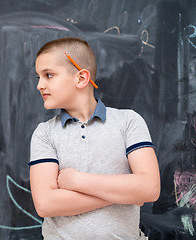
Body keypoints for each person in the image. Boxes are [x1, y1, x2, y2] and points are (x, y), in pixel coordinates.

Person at [28, 37, 160, 239]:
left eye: (48, 75)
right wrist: (125, 194)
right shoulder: (44, 133)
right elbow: (46, 204)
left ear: (81, 78)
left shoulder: (128, 122)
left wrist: (77, 180)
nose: (39, 85)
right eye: (38, 77)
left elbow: (149, 189)